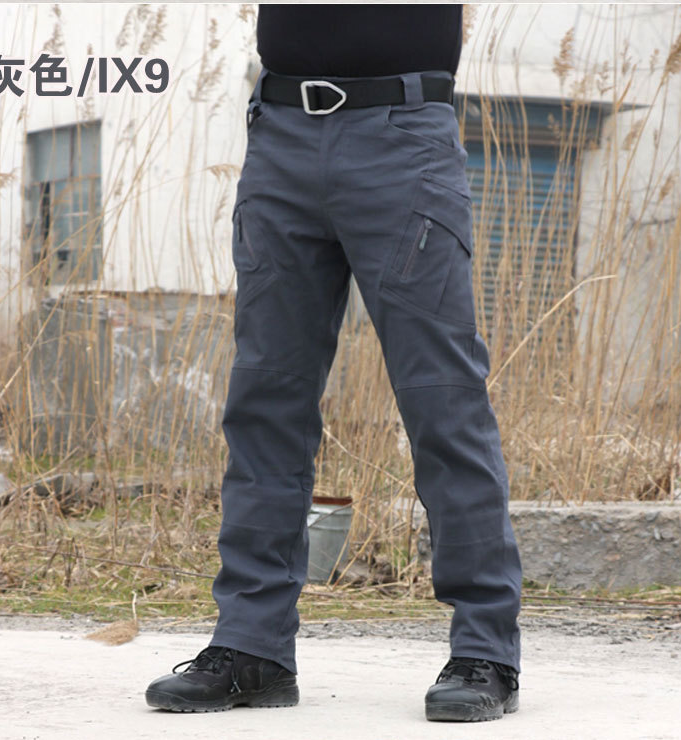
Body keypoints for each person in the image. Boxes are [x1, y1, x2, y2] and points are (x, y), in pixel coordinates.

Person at [145, 4, 522, 723]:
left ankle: (486, 650)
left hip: (403, 137)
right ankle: (252, 647)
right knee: (265, 404)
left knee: (443, 402)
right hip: (281, 132)